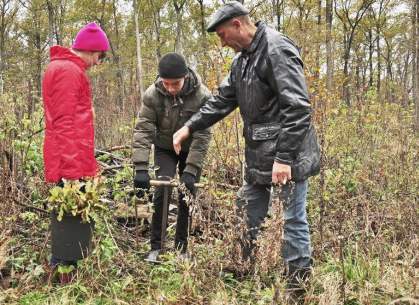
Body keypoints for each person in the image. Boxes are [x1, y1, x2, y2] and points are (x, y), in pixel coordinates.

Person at [172, 1, 320, 295]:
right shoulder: (242, 60)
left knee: (291, 221)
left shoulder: (276, 49)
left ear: (238, 25)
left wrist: (284, 158)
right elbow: (222, 99)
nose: (223, 42)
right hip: (259, 157)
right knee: (246, 210)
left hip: (285, 157)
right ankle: (242, 266)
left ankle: (298, 289)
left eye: (223, 35)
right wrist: (190, 126)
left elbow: (298, 109)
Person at [132, 52, 212, 263]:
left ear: (185, 76)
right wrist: (140, 167)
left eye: (174, 83)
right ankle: (156, 248)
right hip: (165, 148)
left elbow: (203, 135)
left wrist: (191, 170)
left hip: (190, 148)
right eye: (166, 84)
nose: (170, 88)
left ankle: (181, 249)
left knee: (187, 192)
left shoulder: (202, 96)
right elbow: (143, 130)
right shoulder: (153, 94)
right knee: (163, 189)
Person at [42, 22, 109, 269]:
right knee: (71, 217)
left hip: (73, 155)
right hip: (70, 158)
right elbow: (64, 121)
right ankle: (61, 271)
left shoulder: (63, 67)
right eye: (99, 56)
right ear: (91, 50)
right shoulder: (69, 70)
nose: (98, 63)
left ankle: (64, 267)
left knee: (72, 215)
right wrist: (72, 172)